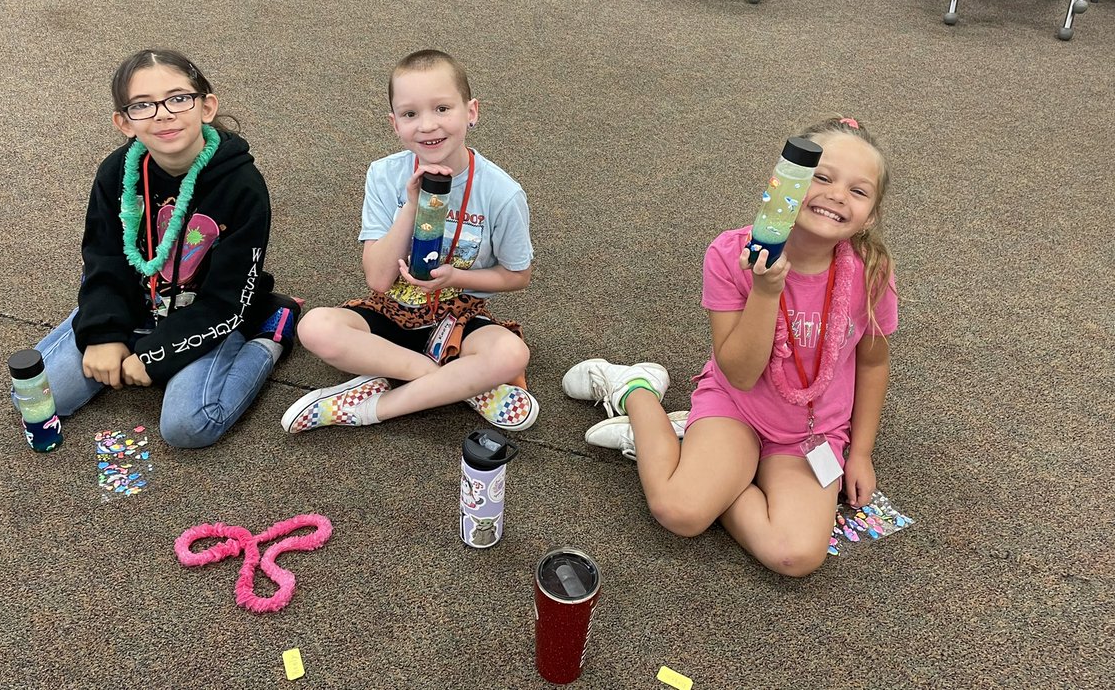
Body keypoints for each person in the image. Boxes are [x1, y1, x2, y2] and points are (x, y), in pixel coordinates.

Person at [563, 117, 897, 577]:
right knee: (680, 512)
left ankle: (695, 459)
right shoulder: (730, 254)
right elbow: (740, 373)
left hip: (811, 432)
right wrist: (766, 291)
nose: (837, 195)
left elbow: (873, 363)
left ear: (871, 215)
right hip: (737, 408)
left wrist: (860, 452)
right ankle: (636, 390)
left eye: (858, 191)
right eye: (821, 177)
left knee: (796, 556)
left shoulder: (871, 272)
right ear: (784, 183)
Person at [32, 49, 301, 448]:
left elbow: (226, 299)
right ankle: (118, 338)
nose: (162, 114)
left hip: (208, 313)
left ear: (206, 107)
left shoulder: (241, 185)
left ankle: (271, 332)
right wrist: (103, 333)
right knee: (37, 398)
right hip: (134, 302)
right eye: (143, 105)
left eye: (178, 98)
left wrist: (157, 354)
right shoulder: (116, 173)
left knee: (188, 427)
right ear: (124, 123)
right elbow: (103, 260)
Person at [284, 49, 536, 433]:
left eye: (442, 108)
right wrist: (412, 205)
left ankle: (372, 407)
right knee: (315, 327)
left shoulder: (502, 193)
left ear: (471, 112)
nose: (427, 126)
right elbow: (378, 279)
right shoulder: (384, 175)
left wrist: (455, 277)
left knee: (511, 353)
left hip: (458, 319)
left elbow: (518, 275)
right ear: (394, 123)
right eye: (410, 114)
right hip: (391, 311)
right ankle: (459, 384)